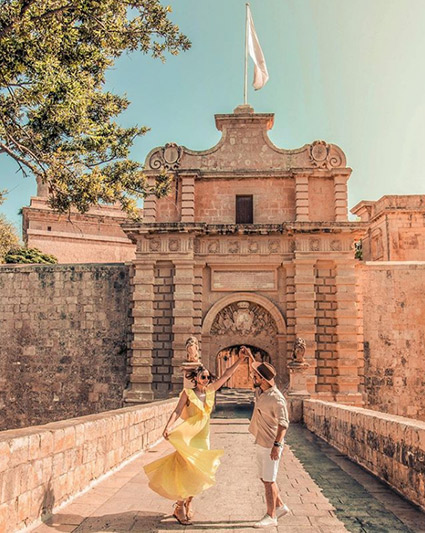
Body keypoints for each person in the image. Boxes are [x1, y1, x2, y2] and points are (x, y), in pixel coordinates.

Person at [143, 350, 248, 525]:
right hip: (189, 436)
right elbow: (177, 410)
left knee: (199, 472)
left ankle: (186, 503)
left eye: (208, 377)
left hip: (203, 437)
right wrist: (168, 426)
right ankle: (181, 506)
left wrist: (240, 360)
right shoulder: (187, 393)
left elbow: (227, 374)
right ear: (196, 378)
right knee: (186, 470)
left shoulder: (211, 390)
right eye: (203, 377)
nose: (206, 380)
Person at [240, 346, 290, 528]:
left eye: (256, 377)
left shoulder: (277, 399)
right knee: (265, 478)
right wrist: (249, 356)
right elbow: (255, 368)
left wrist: (277, 445)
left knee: (268, 481)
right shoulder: (262, 391)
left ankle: (271, 516)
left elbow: (284, 423)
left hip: (270, 444)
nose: (252, 377)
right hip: (262, 441)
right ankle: (281, 506)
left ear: (262, 379)